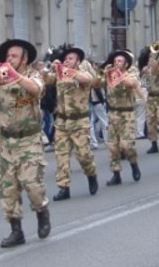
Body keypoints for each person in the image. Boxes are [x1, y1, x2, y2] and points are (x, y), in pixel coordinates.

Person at [0, 39, 50, 248]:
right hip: (7, 142)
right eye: (7, 56)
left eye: (14, 56)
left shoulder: (33, 75)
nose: (9, 60)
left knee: (32, 185)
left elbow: (36, 89)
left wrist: (14, 76)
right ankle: (16, 231)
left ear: (24, 59)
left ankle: (42, 212)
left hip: (30, 139)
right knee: (7, 189)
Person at [42, 47, 98, 201]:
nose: (67, 61)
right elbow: (45, 79)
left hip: (79, 122)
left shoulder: (82, 73)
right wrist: (47, 68)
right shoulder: (59, 75)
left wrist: (65, 69)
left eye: (71, 59)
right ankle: (63, 187)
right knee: (61, 157)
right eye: (66, 59)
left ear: (78, 61)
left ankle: (91, 173)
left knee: (83, 156)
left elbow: (86, 80)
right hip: (61, 122)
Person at [96, 50, 142, 187]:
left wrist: (119, 74)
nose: (116, 64)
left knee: (127, 145)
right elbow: (95, 84)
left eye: (120, 61)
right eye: (115, 61)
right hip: (112, 113)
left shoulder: (131, 73)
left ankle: (133, 163)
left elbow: (131, 84)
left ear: (126, 64)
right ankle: (116, 174)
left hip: (126, 114)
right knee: (112, 147)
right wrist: (101, 72)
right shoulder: (109, 75)